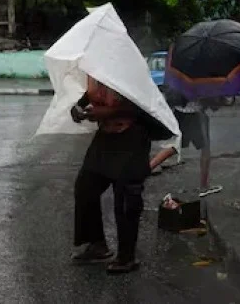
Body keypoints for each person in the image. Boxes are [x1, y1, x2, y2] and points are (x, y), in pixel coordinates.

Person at [71, 76, 172, 274]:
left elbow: (140, 105)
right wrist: (79, 108)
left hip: (132, 139)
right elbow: (89, 97)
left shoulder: (128, 70)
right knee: (85, 189)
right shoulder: (97, 71)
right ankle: (97, 245)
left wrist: (105, 112)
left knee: (125, 200)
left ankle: (127, 257)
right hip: (105, 139)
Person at [150, 89, 223, 197]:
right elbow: (210, 103)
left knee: (174, 147)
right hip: (196, 115)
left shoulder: (181, 75)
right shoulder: (200, 78)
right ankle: (204, 186)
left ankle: (145, 170)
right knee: (205, 149)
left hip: (179, 112)